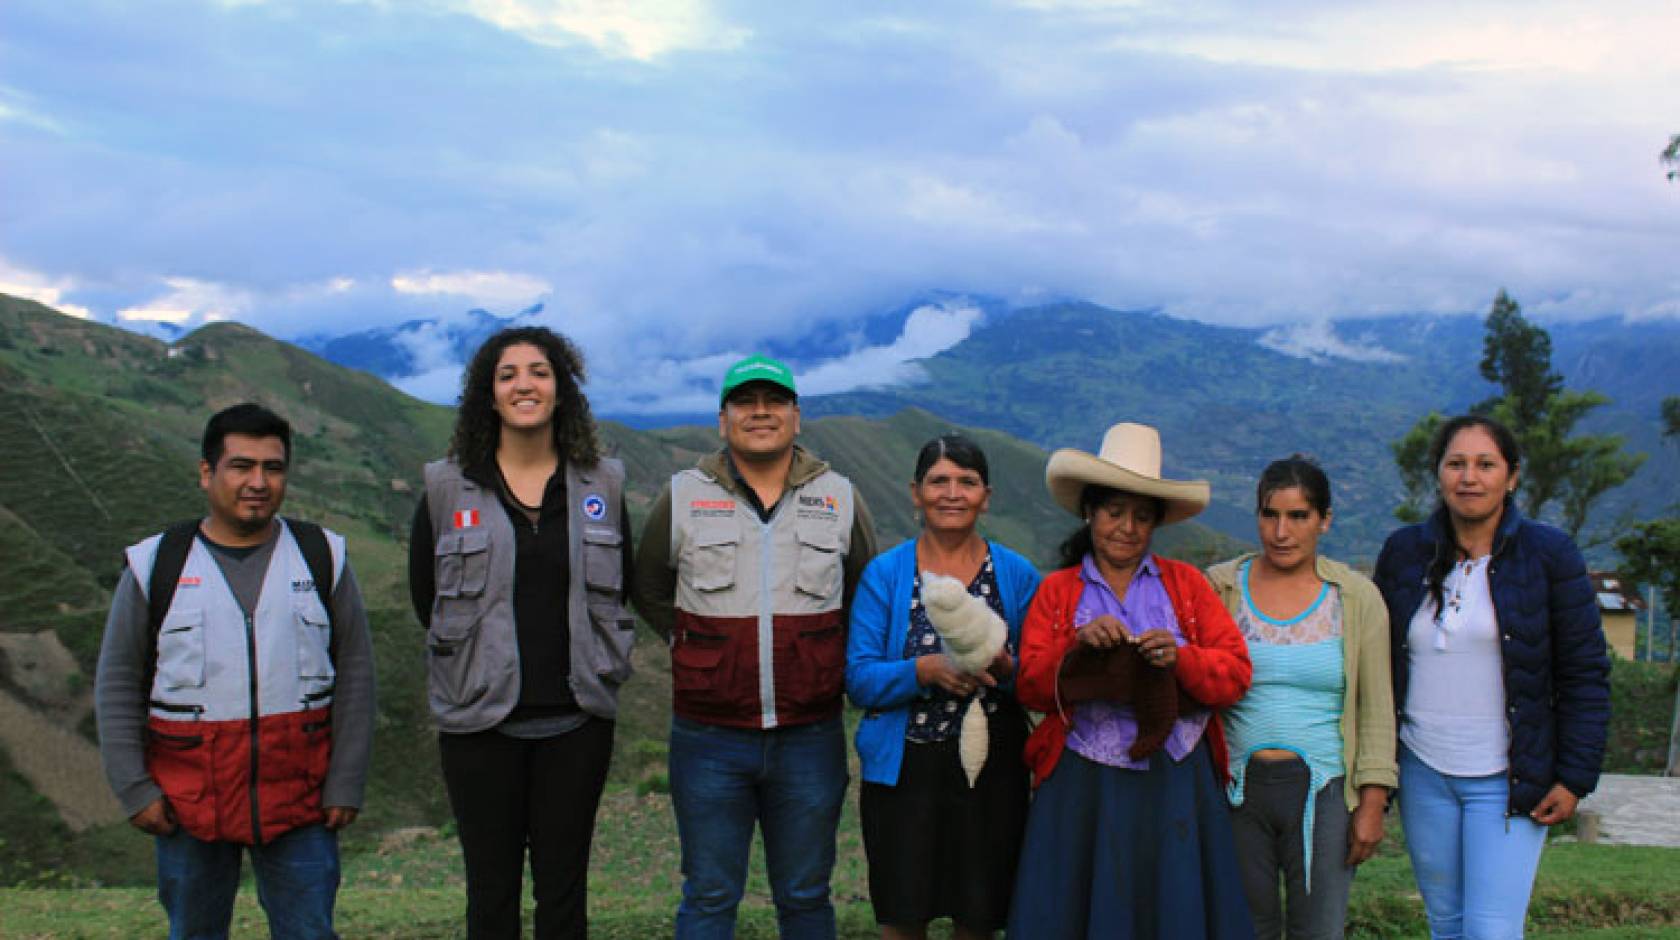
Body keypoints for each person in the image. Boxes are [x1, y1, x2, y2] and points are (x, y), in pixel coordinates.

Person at [95, 402, 376, 940]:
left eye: (273, 468)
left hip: (300, 797)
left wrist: (346, 781)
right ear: (207, 473)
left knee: (309, 932)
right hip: (187, 800)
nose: (258, 482)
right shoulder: (156, 565)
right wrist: (134, 788)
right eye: (241, 466)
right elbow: (117, 681)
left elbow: (357, 673)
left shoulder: (322, 556)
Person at [632, 353, 878, 939]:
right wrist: (695, 646)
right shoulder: (683, 494)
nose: (760, 412)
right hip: (708, 738)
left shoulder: (840, 495)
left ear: (797, 417)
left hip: (810, 735)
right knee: (710, 895)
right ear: (723, 420)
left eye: (774, 401)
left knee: (805, 895)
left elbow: (864, 593)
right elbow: (648, 585)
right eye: (745, 402)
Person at [409, 326, 634, 940]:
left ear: (562, 390)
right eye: (507, 374)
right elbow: (424, 598)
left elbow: (622, 589)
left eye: (539, 371)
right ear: (487, 392)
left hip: (577, 721)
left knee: (564, 894)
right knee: (490, 892)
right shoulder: (445, 487)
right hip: (479, 727)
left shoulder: (603, 486)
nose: (524, 384)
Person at [1009, 421, 1254, 940]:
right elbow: (1030, 684)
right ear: (1089, 512)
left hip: (1175, 777)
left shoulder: (1186, 586)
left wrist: (1180, 656)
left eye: (1142, 516)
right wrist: (1076, 649)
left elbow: (1234, 673)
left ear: (1157, 524)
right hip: (1083, 780)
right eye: (1114, 512)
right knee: (1085, 902)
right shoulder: (1058, 592)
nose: (1126, 528)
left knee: (1169, 903)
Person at [1373, 415, 1609, 940]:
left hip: (1508, 777)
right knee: (1448, 925)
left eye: (1485, 464)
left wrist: (1574, 777)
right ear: (1438, 474)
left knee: (1491, 930)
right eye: (1456, 463)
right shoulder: (1404, 552)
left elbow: (1585, 673)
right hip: (1422, 769)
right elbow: (1378, 663)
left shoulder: (1549, 555)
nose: (1469, 477)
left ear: (1513, 476)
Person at [844, 434, 1040, 940]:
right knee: (903, 916)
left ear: (986, 496)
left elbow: (1040, 676)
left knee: (978, 917)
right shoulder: (886, 575)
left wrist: (1006, 667)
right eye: (939, 481)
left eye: (967, 482)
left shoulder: (1016, 575)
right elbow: (860, 679)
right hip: (905, 772)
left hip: (992, 772)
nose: (952, 493)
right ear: (916, 493)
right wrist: (922, 672)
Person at [1206, 456, 1395, 939]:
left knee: (1319, 928)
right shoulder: (1220, 587)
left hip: (1324, 790)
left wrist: (1372, 803)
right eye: (1270, 515)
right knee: (1244, 926)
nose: (1281, 532)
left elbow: (1376, 707)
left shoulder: (1354, 597)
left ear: (1324, 520)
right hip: (1237, 790)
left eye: (1298, 516)